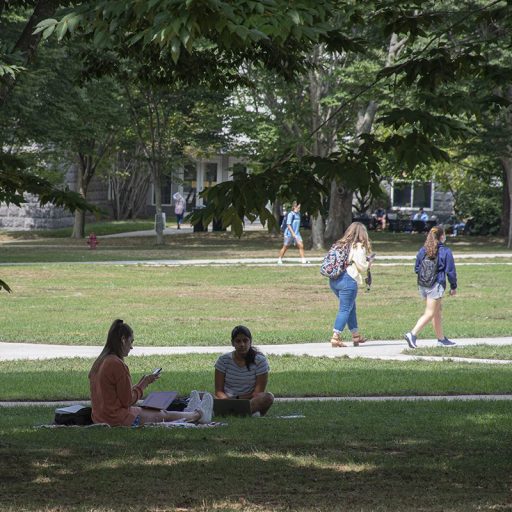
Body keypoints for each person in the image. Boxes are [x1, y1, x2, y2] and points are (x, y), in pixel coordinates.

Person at [89, 319, 214, 426]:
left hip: (100, 417)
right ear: (123, 340)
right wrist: (143, 384)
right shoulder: (116, 364)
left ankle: (188, 412)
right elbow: (128, 401)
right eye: (131, 342)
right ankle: (198, 414)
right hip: (117, 419)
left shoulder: (100, 362)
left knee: (149, 409)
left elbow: (117, 396)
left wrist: (142, 383)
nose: (131, 347)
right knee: (162, 414)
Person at [404, 226, 458, 349]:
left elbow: (416, 268)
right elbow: (450, 271)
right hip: (436, 284)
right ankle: (412, 334)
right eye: (444, 234)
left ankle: (441, 339)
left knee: (436, 312)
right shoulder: (446, 251)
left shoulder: (423, 250)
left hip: (423, 285)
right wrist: (453, 286)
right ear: (442, 236)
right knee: (430, 313)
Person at [329, 222, 373, 348]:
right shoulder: (358, 246)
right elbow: (361, 266)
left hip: (335, 280)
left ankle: (356, 336)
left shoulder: (341, 244)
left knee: (350, 307)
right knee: (345, 309)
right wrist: (369, 263)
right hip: (348, 280)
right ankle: (335, 337)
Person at [214, 325, 274, 416]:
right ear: (232, 343)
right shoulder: (223, 360)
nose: (242, 344)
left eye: (245, 340)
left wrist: (237, 399)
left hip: (250, 402)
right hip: (226, 400)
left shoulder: (260, 361)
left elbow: (257, 393)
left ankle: (231, 413)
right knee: (203, 396)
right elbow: (219, 391)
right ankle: (243, 413)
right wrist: (227, 401)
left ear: (250, 341)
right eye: (238, 341)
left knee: (268, 397)